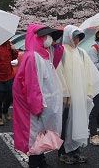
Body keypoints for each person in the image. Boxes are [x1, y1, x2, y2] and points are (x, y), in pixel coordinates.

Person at [13, 24, 64, 168]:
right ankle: (35, 163)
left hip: (42, 101)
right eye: (46, 36)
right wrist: (36, 106)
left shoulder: (44, 54)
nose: (49, 39)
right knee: (34, 134)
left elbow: (55, 61)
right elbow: (31, 84)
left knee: (40, 132)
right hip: (35, 104)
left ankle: (39, 160)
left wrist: (57, 46)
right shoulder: (33, 56)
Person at [57, 25, 99, 164]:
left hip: (80, 95)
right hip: (67, 98)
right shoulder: (62, 52)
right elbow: (58, 73)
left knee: (78, 123)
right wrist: (65, 93)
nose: (77, 40)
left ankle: (75, 151)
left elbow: (89, 74)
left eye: (79, 37)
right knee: (65, 125)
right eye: (75, 37)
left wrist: (89, 92)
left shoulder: (81, 53)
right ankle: (63, 153)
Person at [0, 40, 18, 126]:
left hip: (9, 75)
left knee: (10, 96)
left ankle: (5, 111)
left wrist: (14, 50)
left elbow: (14, 57)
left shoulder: (9, 45)